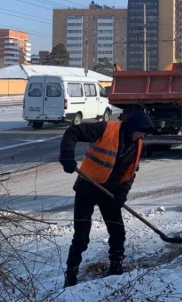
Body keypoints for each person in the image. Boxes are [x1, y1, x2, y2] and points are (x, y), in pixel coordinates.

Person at [58, 110, 154, 288]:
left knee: (118, 232)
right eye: (143, 131)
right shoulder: (105, 129)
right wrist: (66, 155)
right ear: (134, 127)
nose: (144, 136)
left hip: (110, 192)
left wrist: (122, 194)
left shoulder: (137, 145)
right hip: (87, 186)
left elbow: (129, 174)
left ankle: (116, 268)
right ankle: (70, 275)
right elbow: (74, 132)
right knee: (81, 236)